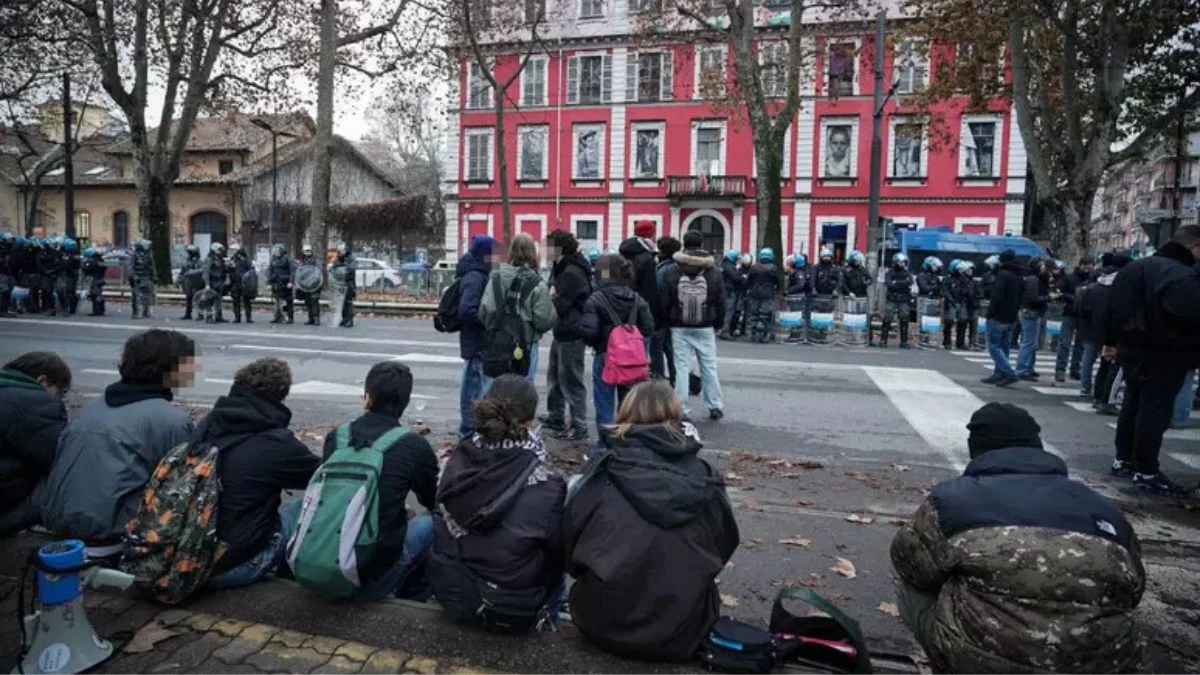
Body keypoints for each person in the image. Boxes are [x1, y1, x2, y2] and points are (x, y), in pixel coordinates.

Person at [890, 402, 1144, 673]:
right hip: (1105, 666)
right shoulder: (1104, 509)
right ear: (1037, 446)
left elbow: (908, 563)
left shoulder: (953, 500)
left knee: (916, 583)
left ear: (976, 448)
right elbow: (1134, 590)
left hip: (984, 664)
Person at [565, 380, 739, 662]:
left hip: (600, 621)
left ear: (626, 414)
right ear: (676, 415)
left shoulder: (602, 469)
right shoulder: (704, 475)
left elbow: (569, 540)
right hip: (681, 630)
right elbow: (724, 542)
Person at [40, 330, 196, 559]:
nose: (193, 370)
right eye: (188, 364)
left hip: (61, 527)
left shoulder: (94, 407)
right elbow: (182, 488)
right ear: (170, 369)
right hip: (113, 535)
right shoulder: (170, 420)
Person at [428, 374, 566, 629]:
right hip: (511, 607)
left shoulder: (455, 461)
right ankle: (550, 624)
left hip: (454, 592)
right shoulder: (549, 484)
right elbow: (557, 553)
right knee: (556, 564)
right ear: (530, 422)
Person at [317, 361, 439, 601]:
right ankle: (410, 594)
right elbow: (432, 499)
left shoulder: (337, 438)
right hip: (370, 578)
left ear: (367, 398)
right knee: (435, 521)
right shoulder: (414, 446)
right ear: (405, 403)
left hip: (322, 559)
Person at [199, 358, 319, 589]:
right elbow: (322, 476)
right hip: (234, 563)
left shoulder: (208, 424)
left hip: (189, 553)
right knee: (311, 502)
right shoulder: (276, 443)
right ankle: (292, 575)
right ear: (281, 395)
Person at [1102, 226, 1200, 496]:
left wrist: (1111, 341)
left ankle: (1124, 459)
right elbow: (1189, 314)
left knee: (1132, 404)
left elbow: (1113, 307)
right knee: (1154, 410)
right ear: (1193, 246)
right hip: (1166, 350)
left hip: (1132, 348)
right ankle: (1146, 470)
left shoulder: (1135, 268)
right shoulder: (1179, 274)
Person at [582, 253, 655, 439]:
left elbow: (589, 333)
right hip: (632, 359)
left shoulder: (596, 299)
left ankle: (606, 443)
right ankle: (627, 440)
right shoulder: (636, 299)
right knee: (629, 403)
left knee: (604, 401)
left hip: (605, 354)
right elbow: (648, 328)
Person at [0, 352, 70, 537]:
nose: (60, 400)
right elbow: (59, 458)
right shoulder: (37, 404)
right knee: (63, 478)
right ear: (43, 381)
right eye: (61, 392)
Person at [662, 231, 726, 421]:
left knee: (681, 366)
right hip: (705, 325)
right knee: (709, 366)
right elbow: (721, 301)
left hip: (679, 325)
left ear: (684, 243)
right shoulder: (713, 271)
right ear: (701, 243)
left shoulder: (673, 270)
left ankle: (682, 408)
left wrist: (669, 319)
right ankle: (714, 405)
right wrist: (718, 323)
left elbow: (666, 300)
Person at [479, 233, 556, 386]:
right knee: (522, 390)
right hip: (525, 344)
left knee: (496, 388)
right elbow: (544, 321)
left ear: (511, 252)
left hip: (498, 341)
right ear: (533, 254)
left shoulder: (495, 278)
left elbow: (484, 311)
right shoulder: (537, 284)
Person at [542, 230, 592, 442]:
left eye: (548, 246)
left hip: (571, 330)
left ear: (559, 249)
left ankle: (579, 425)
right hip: (563, 329)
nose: (545, 251)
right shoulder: (563, 267)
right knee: (555, 376)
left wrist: (552, 296)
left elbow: (562, 304)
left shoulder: (571, 272)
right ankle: (556, 417)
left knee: (570, 379)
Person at [456, 235, 497, 438]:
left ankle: (469, 430)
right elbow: (467, 310)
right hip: (478, 341)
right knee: (477, 389)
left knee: (473, 387)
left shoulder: (476, 273)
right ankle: (471, 431)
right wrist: (489, 321)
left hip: (474, 341)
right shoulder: (476, 276)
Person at [1086, 253, 1132, 413]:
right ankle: (1107, 400)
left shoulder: (1098, 284)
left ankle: (1098, 397)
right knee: (1116, 366)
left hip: (1099, 328)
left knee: (1104, 365)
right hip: (1116, 331)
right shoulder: (1122, 286)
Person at [981, 250, 1023, 387]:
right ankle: (999, 373)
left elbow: (996, 297)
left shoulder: (1003, 275)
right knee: (1004, 347)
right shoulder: (1019, 275)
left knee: (993, 347)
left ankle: (1009, 373)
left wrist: (990, 313)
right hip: (1011, 316)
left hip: (998, 315)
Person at [619, 221, 660, 341]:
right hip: (639, 310)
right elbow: (649, 292)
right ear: (651, 235)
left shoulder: (623, 252)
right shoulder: (647, 258)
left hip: (622, 306)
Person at [1054, 258, 1092, 382]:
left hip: (1083, 315)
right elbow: (1059, 291)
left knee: (1080, 345)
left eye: (1090, 266)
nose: (1088, 268)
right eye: (1086, 265)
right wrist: (1072, 298)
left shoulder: (1091, 279)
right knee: (1065, 343)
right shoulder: (1070, 278)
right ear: (1081, 265)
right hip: (1070, 313)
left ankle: (1075, 368)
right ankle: (1060, 369)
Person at [653, 236, 682, 384]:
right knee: (670, 348)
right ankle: (676, 377)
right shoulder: (678, 267)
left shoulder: (663, 269)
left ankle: (658, 376)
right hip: (675, 313)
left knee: (657, 347)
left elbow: (658, 292)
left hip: (662, 315)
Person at [1015, 258, 1050, 380]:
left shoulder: (1031, 278)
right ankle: (1022, 369)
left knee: (1030, 342)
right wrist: (1048, 297)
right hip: (1031, 311)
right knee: (1028, 342)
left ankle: (1028, 367)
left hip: (1030, 311)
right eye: (1042, 266)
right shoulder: (1033, 280)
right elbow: (1033, 298)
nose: (1044, 268)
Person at [744, 248, 780, 343]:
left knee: (754, 314)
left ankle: (753, 334)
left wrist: (749, 289)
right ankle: (764, 334)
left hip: (754, 292)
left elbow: (749, 280)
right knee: (764, 315)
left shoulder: (754, 267)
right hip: (768, 293)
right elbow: (778, 281)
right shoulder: (773, 268)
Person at [881, 253, 913, 349]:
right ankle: (883, 340)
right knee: (887, 318)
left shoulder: (907, 273)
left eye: (904, 262)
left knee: (904, 319)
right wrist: (902, 284)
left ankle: (904, 342)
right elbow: (889, 284)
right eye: (900, 262)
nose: (902, 264)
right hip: (892, 298)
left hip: (903, 299)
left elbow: (910, 282)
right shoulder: (889, 272)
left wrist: (897, 283)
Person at [942, 260, 974, 350]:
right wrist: (950, 299)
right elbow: (945, 291)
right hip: (951, 302)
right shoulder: (948, 279)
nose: (961, 271)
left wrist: (965, 292)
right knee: (949, 321)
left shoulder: (963, 279)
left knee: (963, 322)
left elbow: (968, 290)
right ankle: (947, 342)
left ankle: (960, 342)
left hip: (961, 302)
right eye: (959, 269)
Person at [718, 249, 746, 341]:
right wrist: (743, 278)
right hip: (730, 291)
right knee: (729, 311)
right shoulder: (729, 266)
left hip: (727, 290)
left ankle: (725, 330)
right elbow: (736, 277)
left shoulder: (725, 265)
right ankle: (725, 331)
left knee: (728, 311)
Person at [785, 253, 811, 343]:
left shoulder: (799, 273)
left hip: (797, 297)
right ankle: (794, 334)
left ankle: (796, 335)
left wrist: (789, 291)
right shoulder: (797, 272)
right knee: (795, 316)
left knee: (796, 316)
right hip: (796, 297)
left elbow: (800, 285)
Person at [202, 242, 231, 323]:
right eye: (219, 250)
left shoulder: (220, 259)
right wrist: (207, 284)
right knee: (209, 301)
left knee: (218, 300)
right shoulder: (209, 259)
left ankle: (218, 316)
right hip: (212, 282)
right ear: (214, 250)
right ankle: (209, 317)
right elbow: (206, 272)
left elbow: (223, 270)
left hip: (219, 283)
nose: (221, 252)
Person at [329, 242, 357, 328]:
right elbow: (333, 268)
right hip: (340, 283)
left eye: (342, 251)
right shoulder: (339, 258)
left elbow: (351, 269)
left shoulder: (351, 258)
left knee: (348, 302)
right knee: (342, 302)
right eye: (339, 251)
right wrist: (336, 265)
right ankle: (344, 319)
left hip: (349, 282)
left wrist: (343, 264)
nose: (340, 253)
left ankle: (350, 320)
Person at [295, 244, 323, 325]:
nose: (307, 253)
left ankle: (316, 318)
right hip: (306, 285)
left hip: (314, 283)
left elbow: (319, 271)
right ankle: (310, 318)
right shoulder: (303, 261)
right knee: (308, 302)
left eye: (308, 251)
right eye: (306, 251)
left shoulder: (315, 261)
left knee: (314, 301)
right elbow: (300, 273)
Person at [228, 243, 257, 324]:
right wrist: (230, 267)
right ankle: (237, 317)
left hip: (244, 283)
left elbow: (251, 270)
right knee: (236, 301)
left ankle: (248, 317)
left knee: (246, 300)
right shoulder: (233, 259)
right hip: (235, 282)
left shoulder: (246, 259)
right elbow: (229, 271)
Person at [268, 244, 296, 324]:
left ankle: (290, 318)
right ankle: (277, 317)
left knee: (288, 301)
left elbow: (292, 271)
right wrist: (270, 281)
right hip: (276, 283)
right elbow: (270, 270)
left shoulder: (287, 259)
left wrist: (291, 282)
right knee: (277, 301)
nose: (276, 252)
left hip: (286, 283)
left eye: (277, 250)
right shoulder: (273, 259)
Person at [128, 239, 157, 319]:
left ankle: (146, 312)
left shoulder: (148, 254)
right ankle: (136, 313)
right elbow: (130, 267)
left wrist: (154, 276)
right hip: (137, 278)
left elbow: (152, 266)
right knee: (136, 296)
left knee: (148, 296)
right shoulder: (134, 255)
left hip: (147, 278)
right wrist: (133, 277)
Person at [179, 244, 204, 321]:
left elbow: (202, 270)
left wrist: (191, 272)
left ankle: (200, 314)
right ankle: (188, 313)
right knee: (188, 298)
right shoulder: (187, 261)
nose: (187, 254)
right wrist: (180, 278)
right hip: (188, 282)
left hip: (197, 282)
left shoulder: (199, 261)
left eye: (189, 252)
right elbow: (183, 271)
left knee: (198, 299)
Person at [81, 247, 106, 316]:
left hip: (93, 279)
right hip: (100, 278)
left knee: (94, 295)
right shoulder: (101, 260)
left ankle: (96, 311)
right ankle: (101, 310)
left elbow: (85, 268)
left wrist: (84, 263)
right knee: (99, 294)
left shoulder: (91, 261)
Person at [61, 238, 81, 315]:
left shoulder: (69, 255)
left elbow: (66, 265)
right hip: (74, 275)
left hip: (69, 275)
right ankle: (72, 308)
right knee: (72, 292)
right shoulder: (76, 254)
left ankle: (69, 308)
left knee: (68, 292)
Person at [0, 232, 13, 317]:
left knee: (7, 292)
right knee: (5, 291)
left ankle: (5, 309)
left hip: (8, 273)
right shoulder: (2, 249)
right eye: (9, 239)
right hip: (2, 273)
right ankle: (3, 310)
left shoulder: (9, 248)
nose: (11, 241)